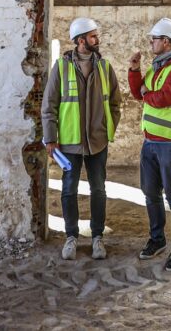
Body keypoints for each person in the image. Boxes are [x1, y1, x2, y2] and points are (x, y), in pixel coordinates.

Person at [42, 17, 122, 260]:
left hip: (98, 142)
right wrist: (50, 139)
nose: (97, 39)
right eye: (93, 36)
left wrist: (108, 130)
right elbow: (49, 106)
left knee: (99, 190)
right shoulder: (62, 67)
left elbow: (116, 104)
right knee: (69, 190)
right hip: (69, 143)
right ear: (80, 41)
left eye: (96, 35)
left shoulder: (105, 68)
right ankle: (71, 237)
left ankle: (97, 237)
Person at [128, 17, 171, 272]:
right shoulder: (159, 66)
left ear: (165, 42)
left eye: (153, 39)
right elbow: (139, 94)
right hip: (151, 141)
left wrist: (146, 93)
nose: (150, 43)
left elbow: (165, 97)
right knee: (150, 192)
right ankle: (157, 239)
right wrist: (135, 71)